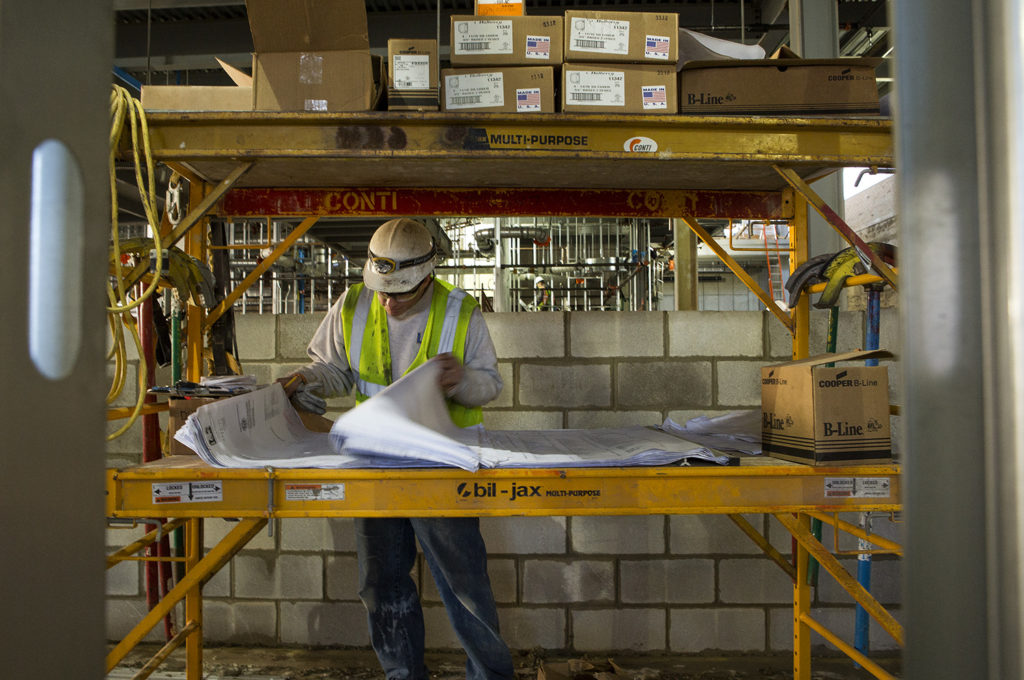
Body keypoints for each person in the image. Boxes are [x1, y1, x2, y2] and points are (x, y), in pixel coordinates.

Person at [278, 218, 514, 680]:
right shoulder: (354, 304)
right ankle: (402, 674)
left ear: (427, 277)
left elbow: (490, 385)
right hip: (375, 463)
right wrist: (307, 379)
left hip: (443, 464)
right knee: (381, 581)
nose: (386, 301)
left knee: (464, 582)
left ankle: (490, 676)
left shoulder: (460, 311)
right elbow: (335, 369)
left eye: (399, 292)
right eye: (380, 288)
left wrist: (462, 380)